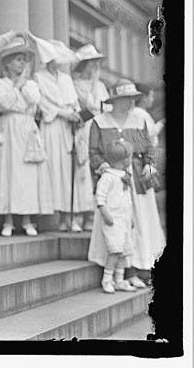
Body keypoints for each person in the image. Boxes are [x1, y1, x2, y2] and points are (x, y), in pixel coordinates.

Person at [88, 79, 165, 288]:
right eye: (126, 99)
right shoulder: (100, 122)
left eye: (133, 99)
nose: (131, 103)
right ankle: (118, 271)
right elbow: (93, 152)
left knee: (140, 221)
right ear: (117, 100)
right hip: (113, 179)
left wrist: (149, 165)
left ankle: (140, 268)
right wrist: (103, 165)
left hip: (137, 178)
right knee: (117, 223)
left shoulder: (138, 120)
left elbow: (148, 149)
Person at [0, 37, 53, 237]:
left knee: (27, 174)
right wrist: (18, 89)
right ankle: (7, 220)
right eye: (18, 59)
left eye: (24, 60)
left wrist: (23, 86)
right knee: (8, 171)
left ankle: (27, 219)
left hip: (26, 129)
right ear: (7, 63)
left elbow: (34, 100)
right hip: (8, 128)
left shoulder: (30, 84)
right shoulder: (0, 84)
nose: (22, 63)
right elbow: (5, 102)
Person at [34, 40, 82, 232]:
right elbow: (42, 103)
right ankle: (54, 216)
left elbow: (74, 102)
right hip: (52, 125)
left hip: (67, 127)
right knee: (53, 167)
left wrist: (76, 113)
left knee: (68, 169)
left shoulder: (66, 79)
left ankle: (69, 216)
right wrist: (63, 113)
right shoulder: (39, 77)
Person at [87, 139, 137, 293]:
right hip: (113, 219)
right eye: (129, 157)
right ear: (124, 160)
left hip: (124, 219)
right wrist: (105, 213)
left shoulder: (124, 175)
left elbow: (127, 199)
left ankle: (119, 279)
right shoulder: (108, 177)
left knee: (123, 250)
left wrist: (132, 217)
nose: (131, 160)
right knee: (115, 250)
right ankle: (107, 279)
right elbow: (100, 198)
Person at [71, 43, 109, 231]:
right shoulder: (76, 84)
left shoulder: (101, 85)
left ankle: (93, 214)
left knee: (99, 170)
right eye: (91, 64)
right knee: (82, 171)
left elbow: (105, 108)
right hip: (84, 129)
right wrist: (93, 84)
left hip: (100, 130)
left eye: (96, 64)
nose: (95, 68)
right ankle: (79, 214)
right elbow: (88, 106)